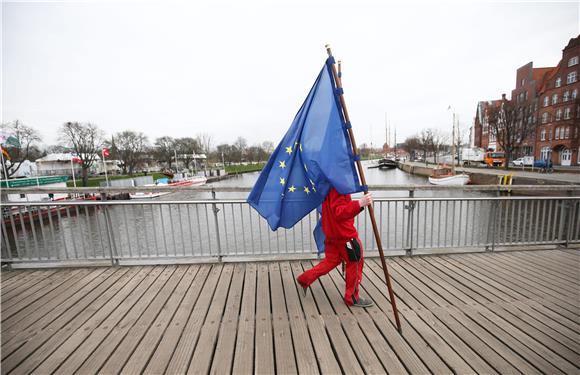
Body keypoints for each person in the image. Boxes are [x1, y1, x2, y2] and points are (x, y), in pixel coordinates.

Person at [297, 188, 374, 307]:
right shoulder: (338, 186)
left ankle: (304, 279)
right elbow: (339, 212)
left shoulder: (328, 185)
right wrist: (360, 203)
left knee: (330, 262)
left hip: (332, 234)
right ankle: (352, 297)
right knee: (356, 263)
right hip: (344, 234)